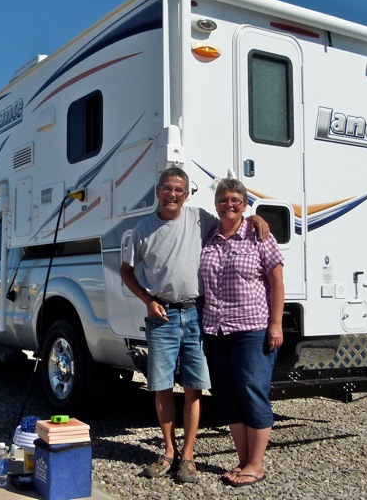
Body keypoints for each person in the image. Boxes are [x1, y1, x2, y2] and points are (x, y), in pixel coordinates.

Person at [120, 168, 268, 484]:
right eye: (167, 188)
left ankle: (188, 456)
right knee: (160, 387)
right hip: (162, 317)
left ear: (186, 194)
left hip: (196, 315)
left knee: (193, 387)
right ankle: (169, 452)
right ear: (157, 191)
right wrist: (147, 300)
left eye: (179, 189)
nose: (172, 194)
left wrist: (256, 217)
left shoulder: (200, 217)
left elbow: (233, 217)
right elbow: (126, 271)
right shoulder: (141, 229)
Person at [199, 178, 284, 487]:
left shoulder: (258, 235)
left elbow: (276, 282)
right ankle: (243, 460)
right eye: (224, 199)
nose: (229, 204)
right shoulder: (210, 235)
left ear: (246, 204)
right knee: (227, 395)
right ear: (216, 204)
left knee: (252, 392)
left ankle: (257, 464)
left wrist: (276, 324)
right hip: (216, 329)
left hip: (252, 328)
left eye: (236, 199)